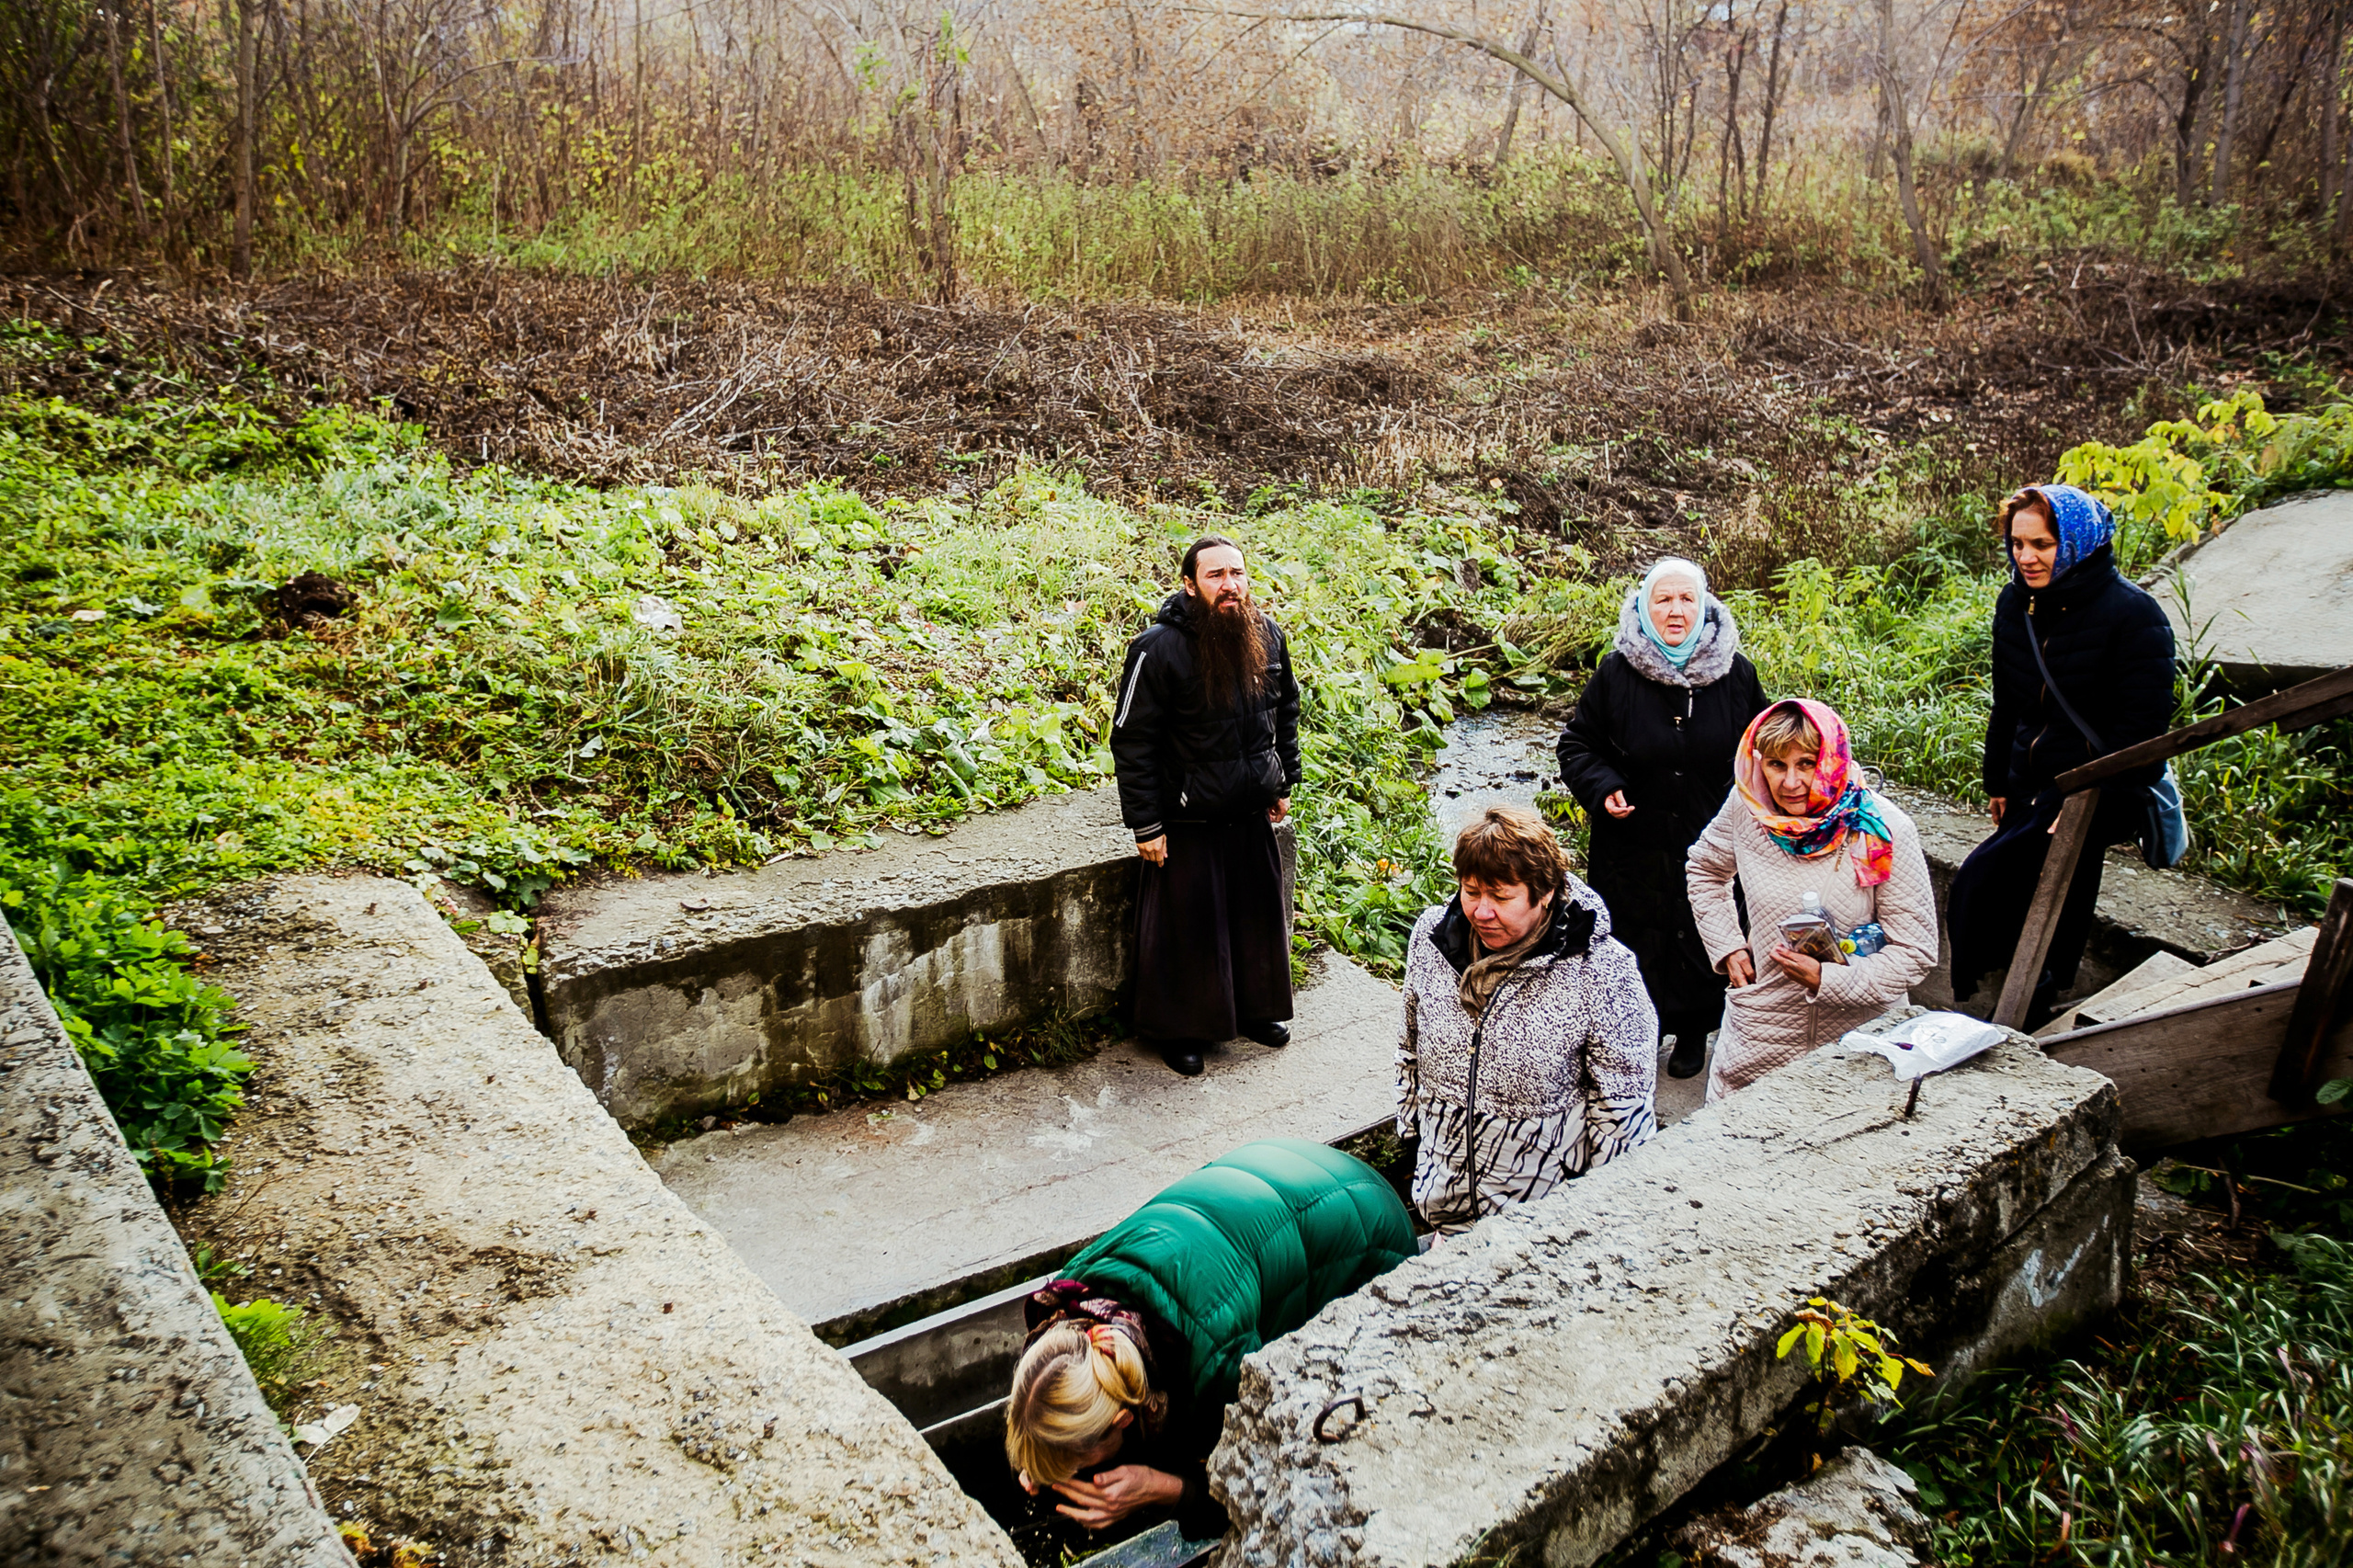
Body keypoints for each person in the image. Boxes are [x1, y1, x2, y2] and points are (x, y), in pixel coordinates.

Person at [1003, 1139, 1414, 1539]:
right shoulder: (1070, 1308)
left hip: (1369, 1237)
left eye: (1074, 1465)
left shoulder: (1216, 1362)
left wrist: (1162, 1489)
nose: (1071, 1474)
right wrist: (1045, 1453)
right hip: (1281, 1168)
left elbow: (1266, 1487)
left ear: (1124, 1419)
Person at [1946, 483, 2177, 1028]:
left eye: (2042, 544)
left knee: (1992, 876)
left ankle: (2033, 996)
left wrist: (2077, 798)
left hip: (2107, 784)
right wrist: (1997, 781)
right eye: (2017, 543)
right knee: (2024, 886)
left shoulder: (2134, 615)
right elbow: (2010, 701)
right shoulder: (2018, 604)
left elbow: (2143, 734)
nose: (2025, 556)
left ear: (2076, 543)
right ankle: (2034, 997)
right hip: (2033, 779)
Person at [1395, 805, 1660, 1235]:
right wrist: (1412, 1133)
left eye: (1501, 897)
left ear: (1546, 893)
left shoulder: (1602, 969)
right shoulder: (1431, 938)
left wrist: (1607, 1215)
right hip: (1446, 1205)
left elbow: (1623, 1104)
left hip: (1542, 1219)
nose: (1481, 912)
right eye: (1471, 891)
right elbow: (1409, 1045)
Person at [1555, 556, 1768, 1081]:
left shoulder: (1736, 675)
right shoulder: (1616, 673)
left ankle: (1694, 1030)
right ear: (1645, 608)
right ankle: (1635, 1030)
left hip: (1709, 839)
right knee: (1632, 940)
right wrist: (1603, 787)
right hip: (1633, 843)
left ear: (1704, 606)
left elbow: (1763, 751)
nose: (1676, 611)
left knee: (1704, 931)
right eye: (1664, 600)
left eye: (1686, 599)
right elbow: (1578, 744)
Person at [1108, 536, 1302, 1077]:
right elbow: (1132, 739)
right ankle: (1181, 1030)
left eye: (1237, 573)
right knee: (1189, 931)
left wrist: (1281, 781)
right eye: (1215, 575)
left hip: (1247, 807)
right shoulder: (1158, 648)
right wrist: (1146, 822)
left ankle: (1256, 1012)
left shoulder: (1266, 635)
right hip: (1187, 817)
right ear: (1190, 585)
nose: (1230, 585)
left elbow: (1283, 713)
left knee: (1253, 920)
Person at [1686, 699, 1937, 1100]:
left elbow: (1915, 951)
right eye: (1776, 765)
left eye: (1807, 764)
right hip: (1762, 1026)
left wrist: (1830, 979)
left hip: (1859, 1038)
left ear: (1833, 760)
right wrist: (1729, 946)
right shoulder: (1747, 808)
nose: (1789, 783)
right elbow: (1705, 870)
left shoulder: (1882, 828)